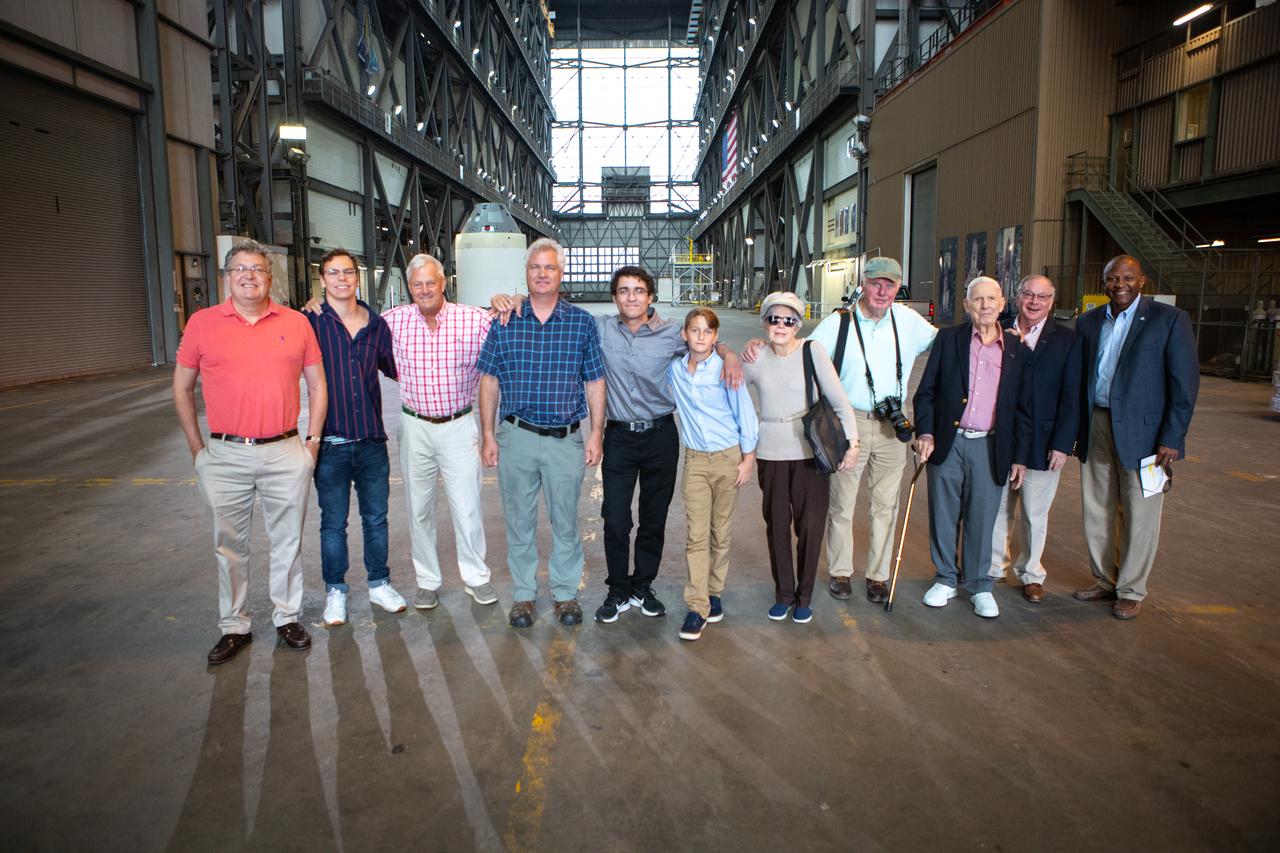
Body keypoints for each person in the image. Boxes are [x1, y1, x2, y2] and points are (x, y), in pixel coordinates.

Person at [493, 267, 743, 624]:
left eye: (639, 290)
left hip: (661, 436)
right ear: (614, 298)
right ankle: (618, 590)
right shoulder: (600, 327)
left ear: (651, 297)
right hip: (619, 436)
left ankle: (643, 586)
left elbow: (707, 340)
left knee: (654, 519)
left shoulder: (673, 332)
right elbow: (554, 310)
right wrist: (519, 299)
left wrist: (729, 353)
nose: (631, 297)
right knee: (615, 518)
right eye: (624, 291)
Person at [173, 239, 327, 664]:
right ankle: (234, 625)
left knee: (287, 541)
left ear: (269, 277)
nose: (248, 276)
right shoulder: (202, 324)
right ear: (226, 277)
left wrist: (311, 442)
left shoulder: (296, 323)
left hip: (284, 449)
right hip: (225, 454)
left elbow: (317, 385)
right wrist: (197, 449)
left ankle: (287, 617)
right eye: (240, 269)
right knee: (229, 546)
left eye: (257, 269)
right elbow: (182, 388)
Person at [477, 238, 606, 628]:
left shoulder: (581, 323)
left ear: (561, 274)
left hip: (564, 440)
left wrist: (596, 432)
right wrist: (487, 433)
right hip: (515, 437)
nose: (543, 274)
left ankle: (566, 594)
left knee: (565, 521)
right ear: (526, 274)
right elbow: (488, 380)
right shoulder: (504, 321)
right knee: (519, 521)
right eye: (536, 267)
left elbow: (595, 382)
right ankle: (523, 595)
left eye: (550, 267)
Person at [1072, 255, 1199, 619]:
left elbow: (1184, 384)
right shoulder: (1089, 322)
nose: (1120, 284)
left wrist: (1171, 438)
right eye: (1112, 278)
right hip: (1097, 423)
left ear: (1142, 281)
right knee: (1098, 507)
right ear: (1104, 282)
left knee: (1142, 512)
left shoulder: (1169, 320)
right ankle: (1105, 580)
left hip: (1147, 434)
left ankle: (1131, 588)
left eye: (1128, 277)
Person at [805, 256, 937, 605]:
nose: (882, 290)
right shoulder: (839, 324)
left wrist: (998, 332)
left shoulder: (908, 321)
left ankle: (878, 576)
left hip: (894, 427)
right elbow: (805, 354)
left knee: (885, 506)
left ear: (898, 287)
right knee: (842, 503)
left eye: (889, 284)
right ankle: (840, 572)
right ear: (862, 282)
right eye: (875, 282)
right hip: (850, 426)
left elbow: (947, 347)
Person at [383, 254, 498, 611]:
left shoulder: (474, 320)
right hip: (414, 425)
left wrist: (515, 300)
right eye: (417, 285)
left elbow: (511, 329)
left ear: (443, 283)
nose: (424, 290)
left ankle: (476, 578)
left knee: (466, 507)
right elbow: (351, 325)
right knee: (418, 508)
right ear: (409, 288)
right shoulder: (392, 321)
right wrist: (316, 306)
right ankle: (427, 581)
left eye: (430, 283)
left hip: (459, 425)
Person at [913, 276, 1031, 619]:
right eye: (977, 299)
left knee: (982, 518)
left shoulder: (1016, 351)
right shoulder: (949, 340)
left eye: (991, 299)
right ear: (966, 305)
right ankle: (946, 578)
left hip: (991, 447)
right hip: (949, 442)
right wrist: (927, 433)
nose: (985, 305)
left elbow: (1023, 408)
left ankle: (979, 585)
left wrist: (1020, 457)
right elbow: (926, 393)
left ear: (1003, 303)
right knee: (944, 515)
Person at [742, 291, 859, 624]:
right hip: (770, 453)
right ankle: (783, 594)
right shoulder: (755, 356)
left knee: (810, 526)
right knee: (777, 526)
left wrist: (853, 443)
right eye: (774, 319)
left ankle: (804, 596)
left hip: (811, 452)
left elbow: (839, 400)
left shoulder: (812, 351)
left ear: (798, 323)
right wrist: (726, 351)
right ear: (765, 322)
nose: (781, 325)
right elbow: (731, 385)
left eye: (789, 319)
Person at [306, 249, 406, 626]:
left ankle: (380, 584)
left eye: (348, 272)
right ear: (323, 279)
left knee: (376, 519)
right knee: (333, 523)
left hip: (370, 441)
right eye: (333, 273)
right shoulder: (311, 322)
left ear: (357, 278)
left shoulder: (376, 325)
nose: (341, 279)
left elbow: (396, 369)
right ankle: (336, 592)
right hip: (329, 443)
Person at [666, 308, 759, 640]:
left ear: (716, 337)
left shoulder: (725, 368)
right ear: (684, 334)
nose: (700, 336)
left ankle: (714, 591)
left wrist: (748, 458)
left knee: (721, 532)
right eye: (694, 330)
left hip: (727, 458)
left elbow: (744, 412)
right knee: (696, 536)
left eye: (707, 331)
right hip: (694, 462)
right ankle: (697, 606)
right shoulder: (675, 370)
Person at [988, 275, 1080, 603]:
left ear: (1052, 302)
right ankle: (994, 567)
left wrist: (1063, 444)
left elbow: (1073, 397)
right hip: (1001, 436)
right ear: (1017, 296)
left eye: (1042, 296)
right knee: (998, 507)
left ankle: (1031, 573)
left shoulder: (1066, 341)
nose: (1034, 301)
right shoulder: (995, 330)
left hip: (1044, 442)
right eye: (1028, 294)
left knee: (1033, 512)